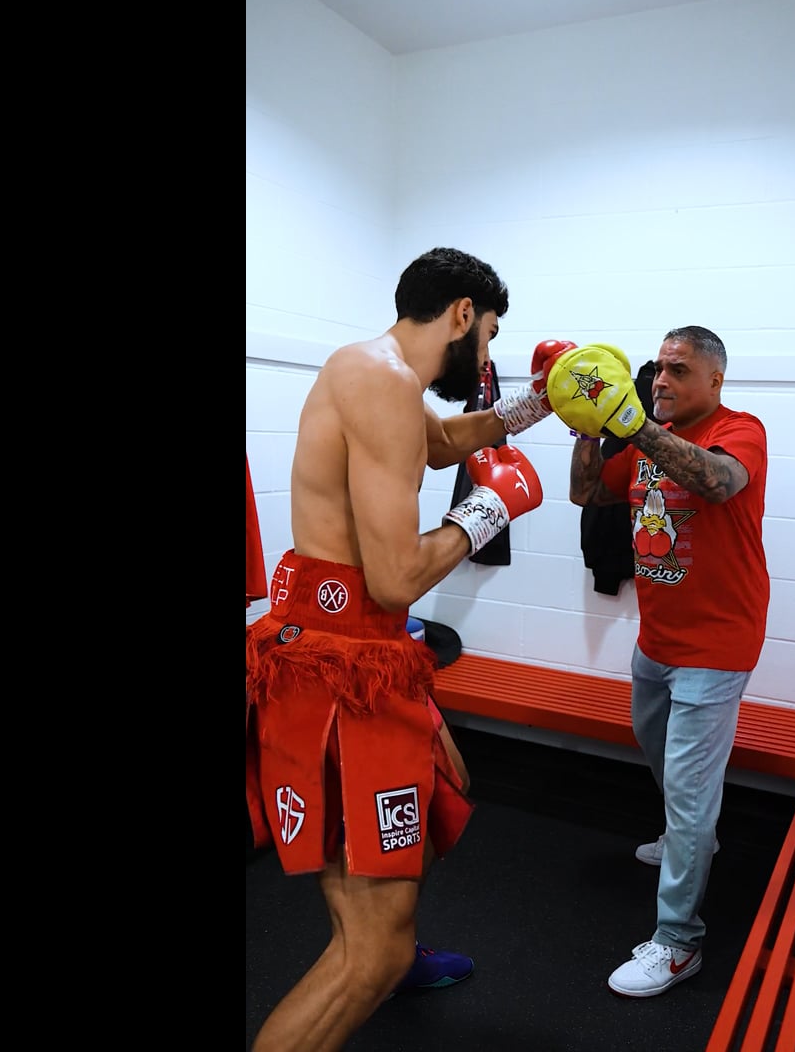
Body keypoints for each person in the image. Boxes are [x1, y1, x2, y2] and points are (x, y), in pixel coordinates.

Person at [245, 246, 575, 1050]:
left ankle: (385, 943)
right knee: (373, 949)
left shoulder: (381, 374)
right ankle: (377, 957)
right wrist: (485, 514)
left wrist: (540, 406)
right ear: (463, 313)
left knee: (442, 785)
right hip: (340, 658)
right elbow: (395, 578)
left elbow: (437, 445)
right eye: (490, 334)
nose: (487, 356)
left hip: (357, 646)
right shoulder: (384, 380)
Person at [554, 326, 769, 998]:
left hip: (718, 644)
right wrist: (587, 425)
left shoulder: (739, 430)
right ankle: (690, 838)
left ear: (715, 379)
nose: (661, 381)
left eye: (678, 370)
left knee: (687, 791)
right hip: (659, 640)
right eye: (659, 371)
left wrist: (633, 423)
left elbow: (718, 482)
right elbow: (588, 493)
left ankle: (679, 942)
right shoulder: (643, 438)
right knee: (657, 749)